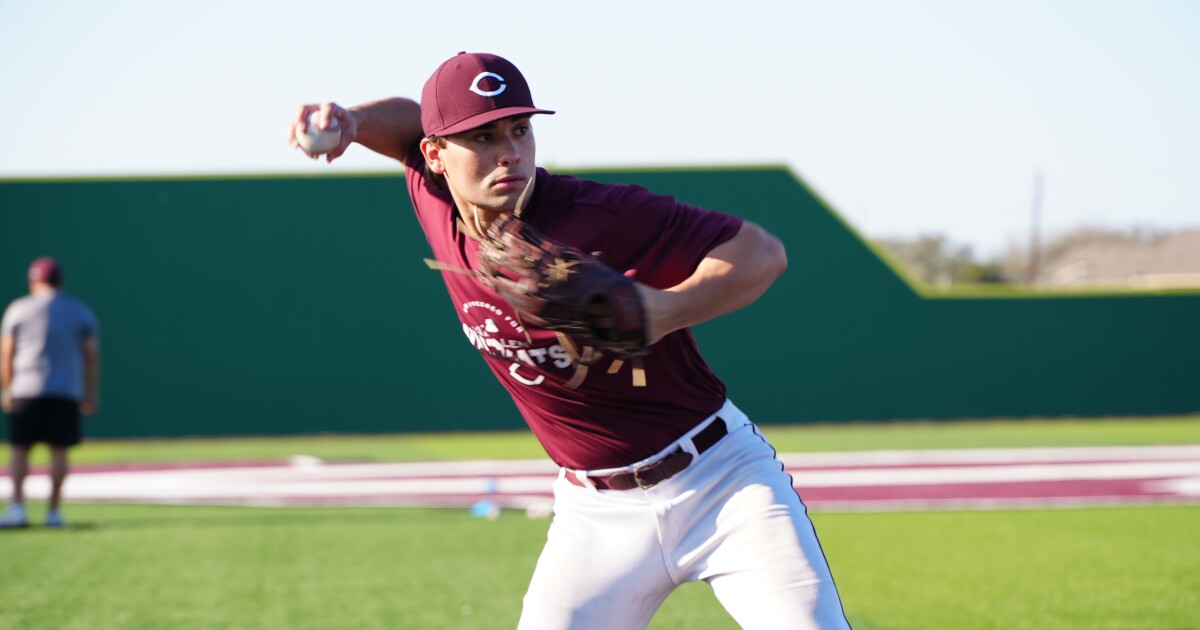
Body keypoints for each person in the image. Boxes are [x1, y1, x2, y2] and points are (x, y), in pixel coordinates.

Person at [288, 52, 850, 629]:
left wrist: (661, 312)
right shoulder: (433, 197)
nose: (509, 151)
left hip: (722, 485)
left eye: (520, 129)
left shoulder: (600, 214)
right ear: (435, 157)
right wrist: (352, 124)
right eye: (482, 136)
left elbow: (762, 254)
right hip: (596, 514)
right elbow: (410, 121)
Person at [0, 257, 100, 529]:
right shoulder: (79, 311)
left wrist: (7, 390)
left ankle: (17, 508)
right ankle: (53, 512)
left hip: (25, 389)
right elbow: (91, 357)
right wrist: (90, 393)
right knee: (60, 450)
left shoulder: (18, 309)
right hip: (65, 391)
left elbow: (7, 354)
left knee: (20, 449)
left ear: (33, 280)